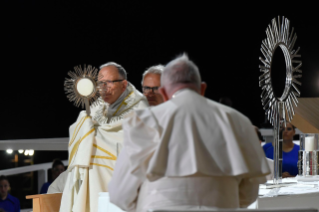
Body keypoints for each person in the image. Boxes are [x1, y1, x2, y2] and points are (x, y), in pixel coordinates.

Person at [109, 54, 270, 212]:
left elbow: (120, 193)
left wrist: (144, 206)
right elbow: (248, 193)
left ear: (164, 93)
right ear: (202, 88)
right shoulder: (237, 120)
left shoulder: (146, 122)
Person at [48, 62, 148, 212]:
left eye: (109, 82)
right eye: (100, 83)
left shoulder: (140, 108)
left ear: (123, 84)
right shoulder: (95, 109)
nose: (104, 88)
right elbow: (80, 138)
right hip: (92, 184)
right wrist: (84, 125)